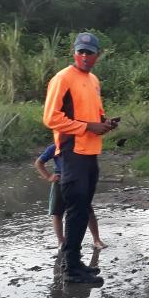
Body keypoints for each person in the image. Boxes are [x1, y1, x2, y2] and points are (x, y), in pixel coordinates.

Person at [43, 32, 116, 284]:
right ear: (74, 53)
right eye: (80, 51)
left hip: (90, 152)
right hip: (71, 153)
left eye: (90, 52)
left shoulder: (93, 79)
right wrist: (87, 127)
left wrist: (104, 124)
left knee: (83, 210)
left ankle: (75, 262)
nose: (85, 56)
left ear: (98, 55)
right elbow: (51, 118)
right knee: (75, 210)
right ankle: (71, 269)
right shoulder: (62, 78)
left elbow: (94, 114)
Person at [35, 143, 105, 250]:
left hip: (78, 180)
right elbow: (39, 162)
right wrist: (48, 177)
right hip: (60, 181)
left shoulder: (80, 145)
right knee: (57, 212)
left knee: (88, 210)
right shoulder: (54, 147)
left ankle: (96, 240)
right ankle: (61, 241)